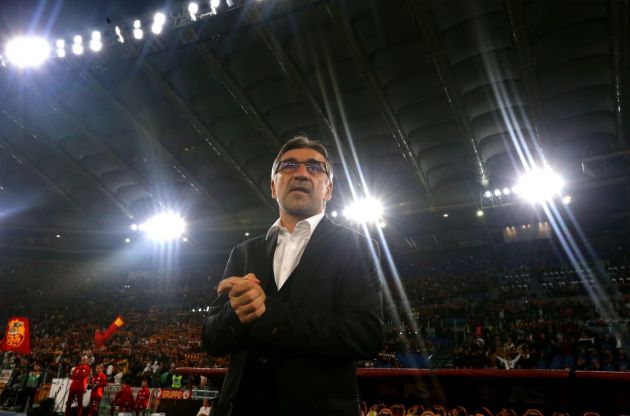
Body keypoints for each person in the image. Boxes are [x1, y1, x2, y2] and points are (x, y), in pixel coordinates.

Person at [202, 136, 384, 415]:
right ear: (274, 186)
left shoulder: (358, 247)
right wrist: (235, 313)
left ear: (329, 189)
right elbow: (212, 340)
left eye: (315, 167)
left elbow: (366, 336)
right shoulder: (243, 252)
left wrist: (267, 312)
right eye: (289, 166)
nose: (301, 173)